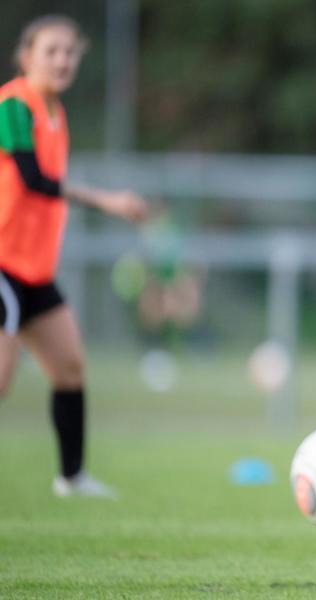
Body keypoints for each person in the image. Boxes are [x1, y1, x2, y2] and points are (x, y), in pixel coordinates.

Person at [0, 15, 149, 497]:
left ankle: (72, 478)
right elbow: (33, 180)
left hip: (33, 271)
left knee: (69, 367)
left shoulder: (55, 114)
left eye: (70, 52)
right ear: (26, 57)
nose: (63, 60)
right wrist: (107, 200)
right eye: (51, 50)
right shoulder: (14, 104)